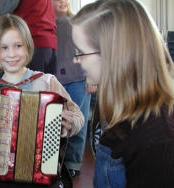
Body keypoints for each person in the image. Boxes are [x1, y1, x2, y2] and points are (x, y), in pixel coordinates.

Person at [0, 14, 84, 187]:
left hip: (40, 170)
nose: (11, 54)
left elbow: (78, 116)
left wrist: (68, 125)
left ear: (28, 47)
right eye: (4, 48)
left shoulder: (46, 82)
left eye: (18, 46)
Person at [71, 0, 174, 187]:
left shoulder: (157, 138)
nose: (75, 60)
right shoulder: (114, 106)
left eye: (81, 52)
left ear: (112, 55)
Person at [52, 0, 93, 180]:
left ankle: (73, 164)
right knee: (54, 123)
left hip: (78, 80)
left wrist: (92, 77)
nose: (63, 1)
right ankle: (53, 162)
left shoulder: (80, 22)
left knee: (78, 122)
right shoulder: (45, 24)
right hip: (55, 81)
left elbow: (92, 49)